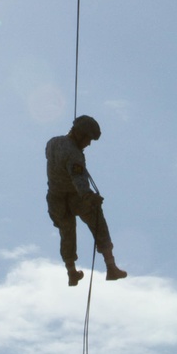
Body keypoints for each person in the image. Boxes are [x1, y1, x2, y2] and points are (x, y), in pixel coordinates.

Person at [46, 114, 128, 286]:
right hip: (75, 196)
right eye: (88, 139)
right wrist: (89, 197)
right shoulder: (74, 154)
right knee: (97, 219)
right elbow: (79, 179)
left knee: (66, 232)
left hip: (55, 199)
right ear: (79, 134)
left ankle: (71, 272)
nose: (89, 144)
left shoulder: (52, 143)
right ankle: (111, 266)